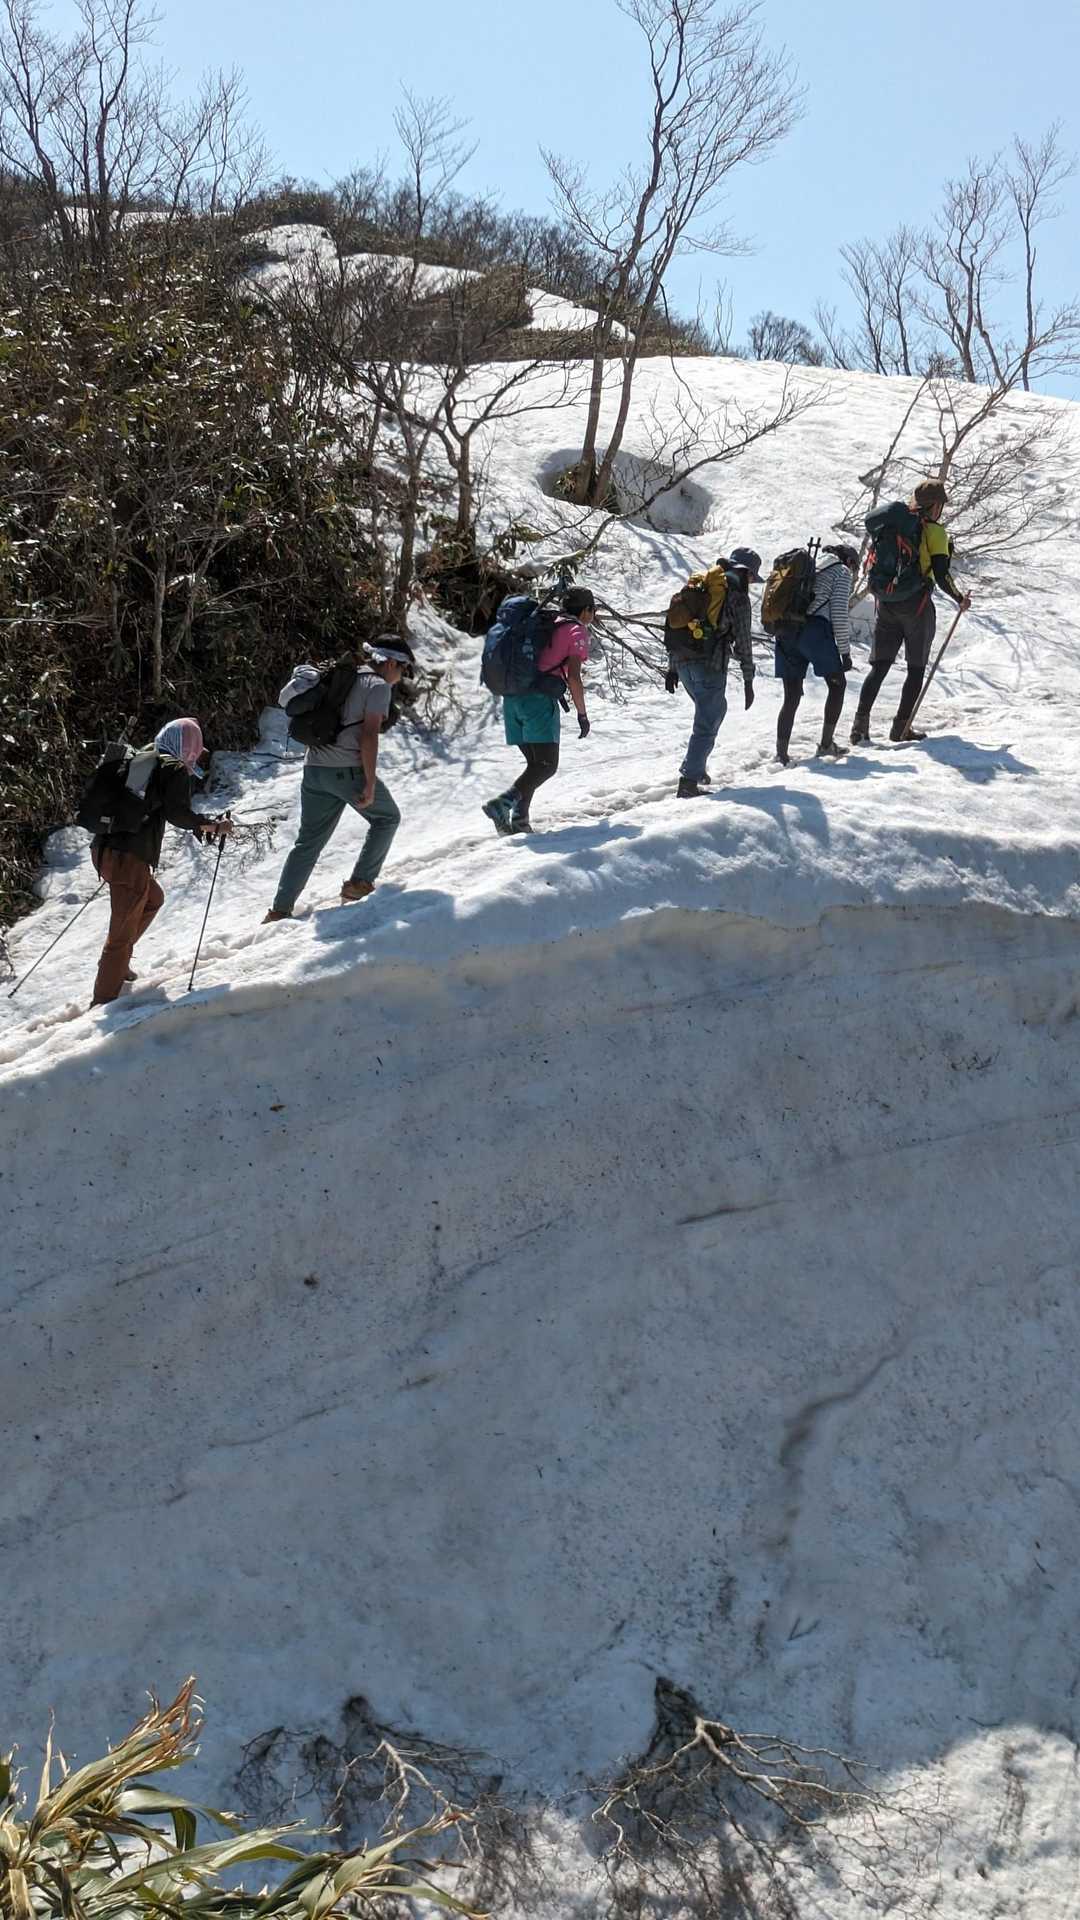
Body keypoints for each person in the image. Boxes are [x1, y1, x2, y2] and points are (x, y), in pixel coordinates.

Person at [265, 639, 412, 921]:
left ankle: (279, 910)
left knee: (307, 842)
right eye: (403, 668)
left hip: (314, 769)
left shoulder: (345, 676)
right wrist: (369, 782)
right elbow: (369, 735)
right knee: (387, 818)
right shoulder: (378, 686)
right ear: (391, 663)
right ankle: (359, 883)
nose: (401, 675)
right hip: (346, 771)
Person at [89, 717, 232, 1005]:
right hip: (128, 859)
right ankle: (103, 999)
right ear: (189, 745)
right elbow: (177, 813)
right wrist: (211, 825)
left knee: (153, 899)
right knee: (120, 933)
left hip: (104, 849)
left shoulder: (143, 757)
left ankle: (118, 963)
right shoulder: (172, 767)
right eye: (196, 746)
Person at [850, 480, 972, 745]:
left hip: (886, 603)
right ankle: (901, 728)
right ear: (935, 506)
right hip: (916, 605)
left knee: (879, 667)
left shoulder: (894, 525)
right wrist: (959, 598)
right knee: (915, 669)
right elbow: (941, 574)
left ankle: (859, 727)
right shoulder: (935, 532)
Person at [482, 586, 595, 835]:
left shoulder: (546, 622)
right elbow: (574, 678)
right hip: (538, 702)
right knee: (546, 765)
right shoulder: (576, 630)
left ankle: (520, 821)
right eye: (592, 610)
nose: (592, 615)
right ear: (586, 610)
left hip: (512, 699)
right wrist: (582, 714)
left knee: (535, 765)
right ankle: (501, 805)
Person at [664, 546, 759, 798]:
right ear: (746, 572)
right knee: (706, 722)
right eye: (752, 577)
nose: (751, 582)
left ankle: (697, 767)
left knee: (714, 710)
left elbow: (677, 628)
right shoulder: (737, 597)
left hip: (683, 662)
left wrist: (672, 667)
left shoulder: (701, 585)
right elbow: (743, 641)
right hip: (710, 664)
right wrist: (748, 680)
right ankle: (689, 782)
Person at [774, 545, 859, 765]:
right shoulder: (841, 571)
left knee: (791, 695)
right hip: (814, 631)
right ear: (849, 561)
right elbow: (839, 613)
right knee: (837, 685)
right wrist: (845, 652)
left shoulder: (809, 565)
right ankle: (826, 744)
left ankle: (781, 754)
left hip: (786, 630)